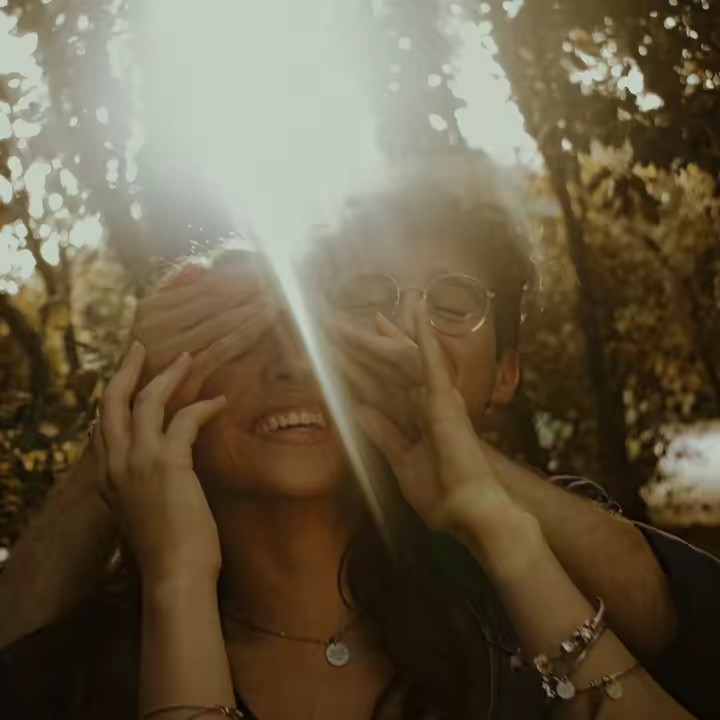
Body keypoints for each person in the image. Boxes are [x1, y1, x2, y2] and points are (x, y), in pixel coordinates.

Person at [0, 172, 718, 720]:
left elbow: (684, 624)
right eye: (239, 341)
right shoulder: (96, 657)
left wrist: (480, 497)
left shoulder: (501, 593)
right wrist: (122, 452)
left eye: (452, 305)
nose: (402, 336)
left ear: (507, 372)